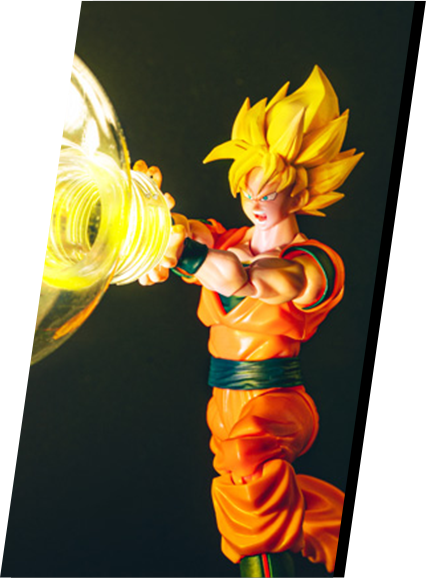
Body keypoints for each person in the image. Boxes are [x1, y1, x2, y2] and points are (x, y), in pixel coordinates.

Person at [138, 65, 366, 577]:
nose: (256, 205)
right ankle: (351, 544)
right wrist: (146, 213)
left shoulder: (314, 262)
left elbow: (250, 280)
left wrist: (183, 255)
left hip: (277, 399)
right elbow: (191, 232)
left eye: (268, 194)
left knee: (247, 466)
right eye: (248, 193)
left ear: (298, 195)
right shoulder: (228, 239)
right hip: (223, 399)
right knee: (251, 494)